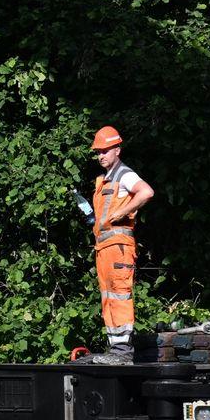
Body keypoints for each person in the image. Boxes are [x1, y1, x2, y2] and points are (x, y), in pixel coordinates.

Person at [84, 126, 153, 364]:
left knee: (119, 295)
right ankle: (116, 349)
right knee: (108, 297)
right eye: (98, 152)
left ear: (117, 150)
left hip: (119, 247)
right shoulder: (105, 179)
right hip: (104, 247)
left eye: (105, 150)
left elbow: (146, 192)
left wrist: (122, 212)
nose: (101, 155)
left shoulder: (124, 174)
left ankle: (123, 352)